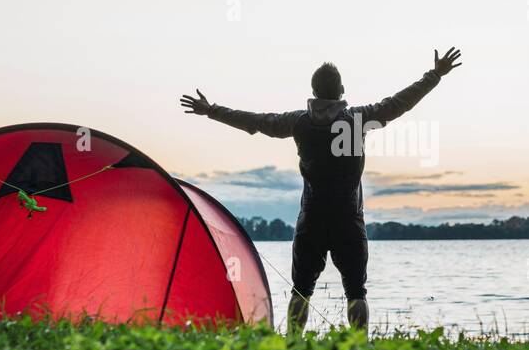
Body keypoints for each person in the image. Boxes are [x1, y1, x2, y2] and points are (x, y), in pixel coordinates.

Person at [181, 47, 462, 334]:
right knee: (356, 291)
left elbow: (256, 122)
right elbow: (399, 103)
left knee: (301, 290)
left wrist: (211, 111)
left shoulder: (298, 122)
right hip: (348, 220)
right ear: (341, 91)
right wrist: (435, 75)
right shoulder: (358, 119)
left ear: (314, 92)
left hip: (311, 218)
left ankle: (292, 344)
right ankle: (358, 348)